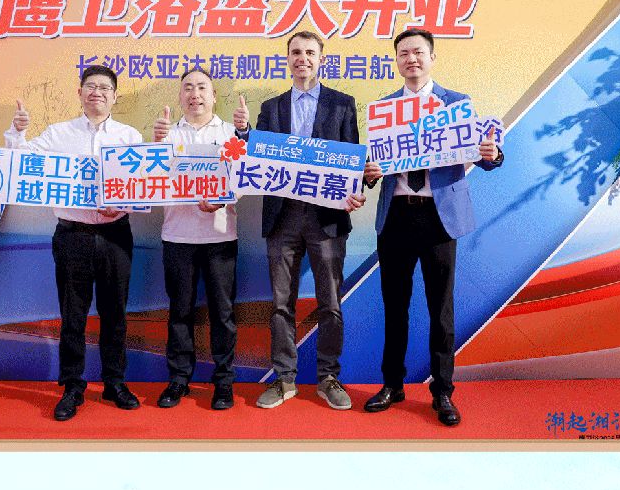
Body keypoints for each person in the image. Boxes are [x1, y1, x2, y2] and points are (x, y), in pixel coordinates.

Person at [361, 29, 503, 427]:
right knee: (395, 306)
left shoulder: (456, 104)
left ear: (432, 57)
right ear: (396, 61)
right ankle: (392, 385)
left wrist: (491, 153)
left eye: (418, 52)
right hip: (396, 215)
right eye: (404, 53)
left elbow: (483, 153)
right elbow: (370, 167)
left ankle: (442, 391)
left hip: (439, 217)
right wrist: (368, 173)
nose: (411, 59)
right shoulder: (383, 110)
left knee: (441, 309)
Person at [233, 31, 365, 410]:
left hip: (327, 217)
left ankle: (328, 377)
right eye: (295, 52)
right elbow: (255, 156)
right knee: (280, 303)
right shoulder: (271, 108)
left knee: (330, 302)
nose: (302, 58)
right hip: (283, 216)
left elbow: (352, 160)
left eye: (309, 52)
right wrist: (244, 133)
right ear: (287, 58)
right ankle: (284, 378)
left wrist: (355, 190)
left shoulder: (342, 104)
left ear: (321, 58)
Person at [4, 65, 142, 420]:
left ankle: (114, 383)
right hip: (72, 235)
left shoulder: (129, 137)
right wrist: (18, 133)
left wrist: (122, 205)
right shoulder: (58, 134)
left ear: (114, 96)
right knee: (73, 315)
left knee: (115, 313)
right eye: (90, 86)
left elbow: (143, 185)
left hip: (115, 234)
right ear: (80, 93)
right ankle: (72, 386)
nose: (97, 92)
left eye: (105, 87)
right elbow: (23, 162)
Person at [151, 67, 239, 410]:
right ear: (180, 96)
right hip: (177, 236)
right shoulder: (167, 135)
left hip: (220, 236)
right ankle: (178, 379)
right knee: (180, 311)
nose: (195, 94)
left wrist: (223, 198)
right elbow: (149, 178)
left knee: (223, 312)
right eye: (188, 88)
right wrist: (154, 147)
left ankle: (224, 382)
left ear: (214, 96)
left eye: (202, 87)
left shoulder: (231, 133)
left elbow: (243, 180)